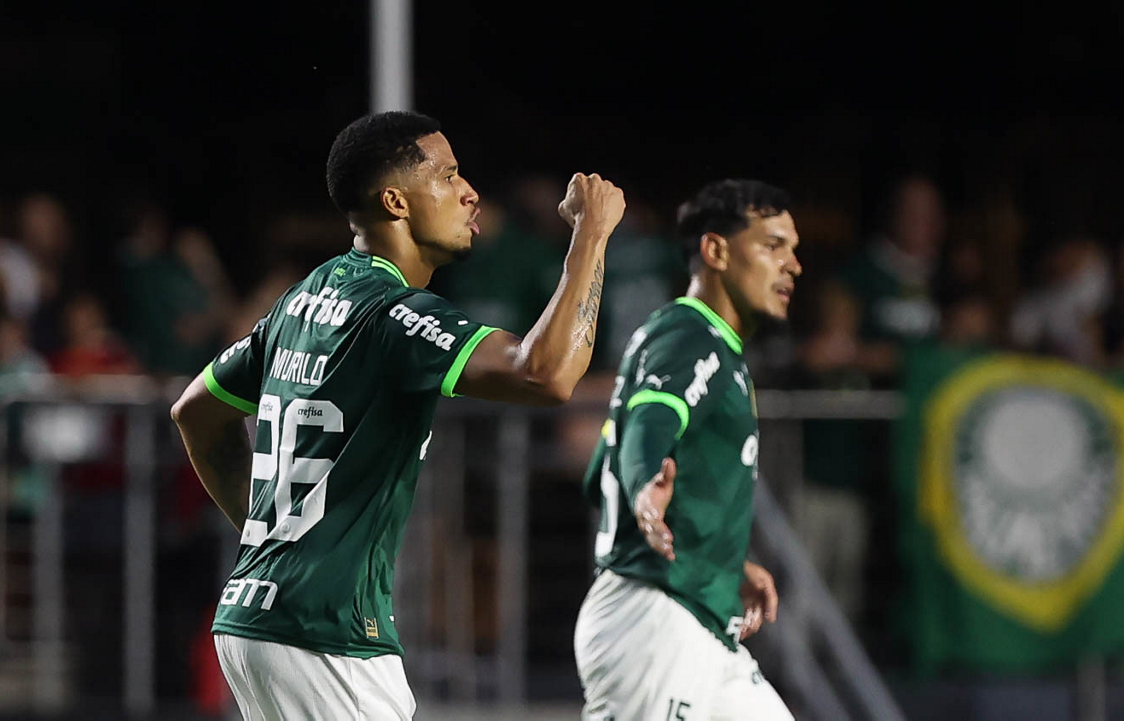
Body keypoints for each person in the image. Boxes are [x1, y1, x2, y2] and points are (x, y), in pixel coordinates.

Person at [169, 110, 625, 720]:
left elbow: (194, 413)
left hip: (256, 617)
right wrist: (591, 236)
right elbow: (546, 373)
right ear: (395, 201)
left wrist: (273, 538)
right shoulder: (392, 314)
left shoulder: (304, 299)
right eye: (448, 175)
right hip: (327, 636)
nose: (470, 192)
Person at [573, 179, 796, 720]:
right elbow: (651, 423)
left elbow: (601, 471)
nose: (792, 265)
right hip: (655, 617)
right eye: (773, 246)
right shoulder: (692, 333)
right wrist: (645, 485)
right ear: (715, 250)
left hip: (698, 617)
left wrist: (721, 558)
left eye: (792, 249)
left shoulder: (708, 344)